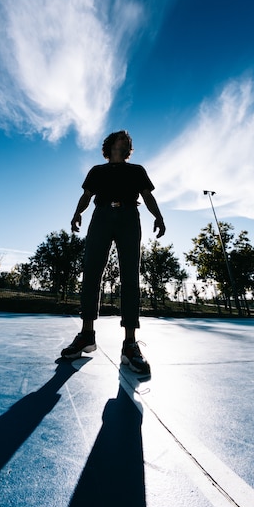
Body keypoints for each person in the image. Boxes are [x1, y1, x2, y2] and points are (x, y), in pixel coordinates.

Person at [61, 130, 165, 374]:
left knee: (130, 276)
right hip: (101, 217)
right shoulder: (97, 171)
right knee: (92, 272)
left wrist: (158, 216)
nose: (125, 141)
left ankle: (130, 343)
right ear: (110, 144)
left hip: (129, 216)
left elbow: (147, 196)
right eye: (121, 138)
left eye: (128, 140)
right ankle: (87, 335)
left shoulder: (137, 170)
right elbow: (86, 195)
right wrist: (78, 213)